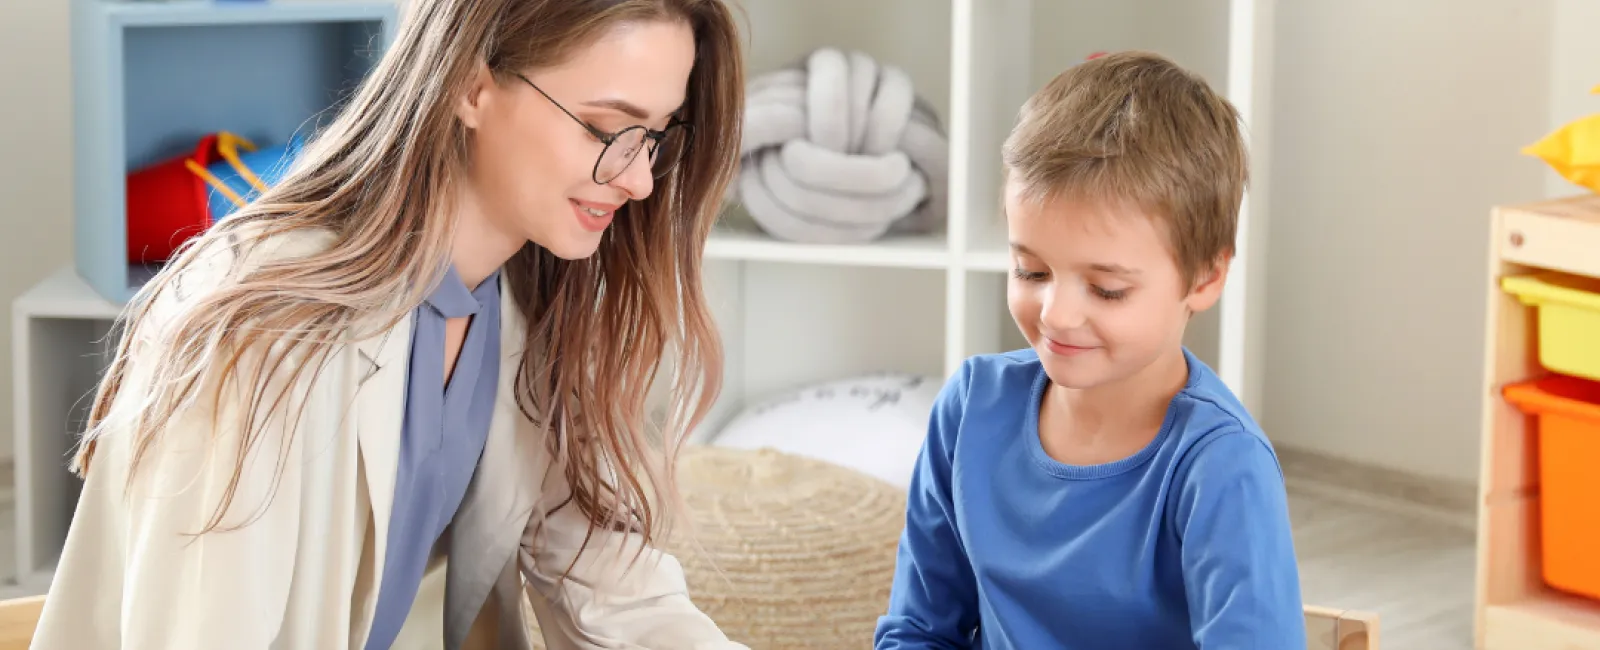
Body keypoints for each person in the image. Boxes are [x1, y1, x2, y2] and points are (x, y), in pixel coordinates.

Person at [32, 0, 749, 648]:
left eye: (653, 137)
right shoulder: (253, 336)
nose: (638, 178)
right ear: (471, 87)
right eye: (604, 128)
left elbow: (618, 595)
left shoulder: (525, 304)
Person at [873, 51, 1306, 649]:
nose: (1056, 314)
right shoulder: (971, 409)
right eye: (1030, 271)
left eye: (1107, 289)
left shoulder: (1222, 468)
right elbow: (918, 630)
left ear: (1204, 278)